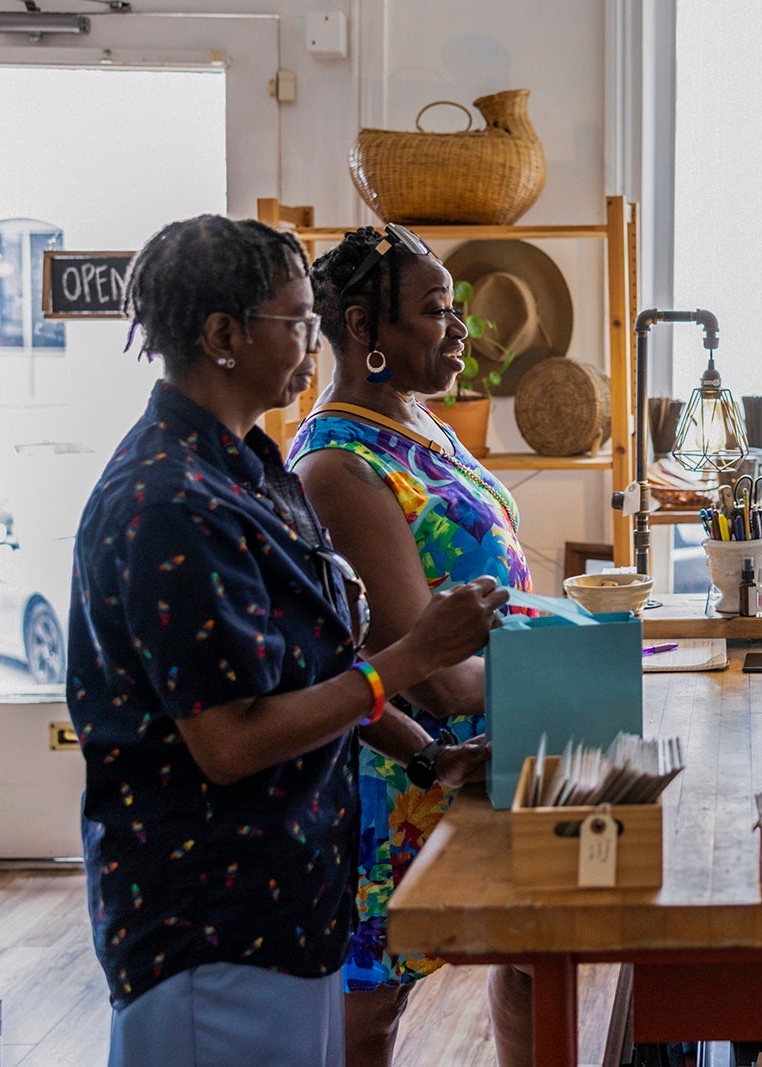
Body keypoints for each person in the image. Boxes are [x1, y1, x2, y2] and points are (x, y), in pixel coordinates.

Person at [67, 215, 509, 1067]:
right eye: (298, 317)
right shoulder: (168, 499)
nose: (317, 335)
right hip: (211, 919)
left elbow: (322, 670)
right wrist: (417, 658)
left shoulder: (249, 465)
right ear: (224, 335)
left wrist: (428, 757)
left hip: (293, 895)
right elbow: (231, 741)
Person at [287, 224, 536, 1067]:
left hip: (483, 748)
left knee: (529, 950)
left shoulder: (421, 421)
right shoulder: (338, 465)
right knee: (373, 1004)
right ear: (363, 328)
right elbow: (424, 676)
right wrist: (564, 663)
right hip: (398, 767)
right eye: (435, 310)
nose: (460, 328)